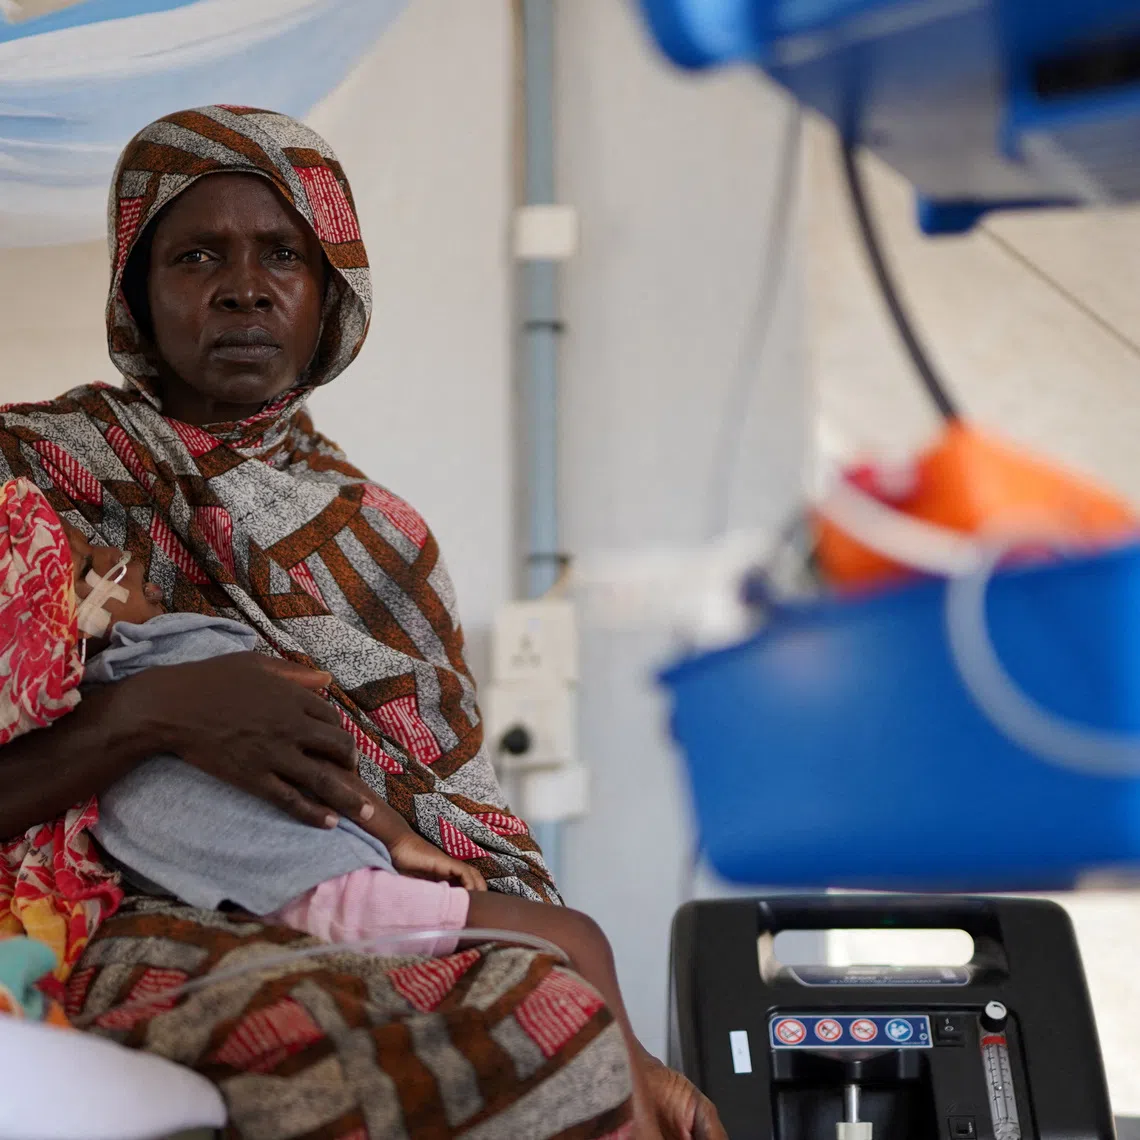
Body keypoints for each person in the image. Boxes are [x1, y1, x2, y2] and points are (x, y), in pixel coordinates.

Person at [0, 106, 726, 1140]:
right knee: (322, 1036)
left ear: (335, 286)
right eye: (196, 254)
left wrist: (631, 1052)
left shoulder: (383, 541)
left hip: (359, 887)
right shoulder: (26, 473)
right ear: (136, 294)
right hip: (108, 907)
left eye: (283, 254)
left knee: (548, 1016)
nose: (242, 287)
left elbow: (460, 816)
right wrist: (146, 715)